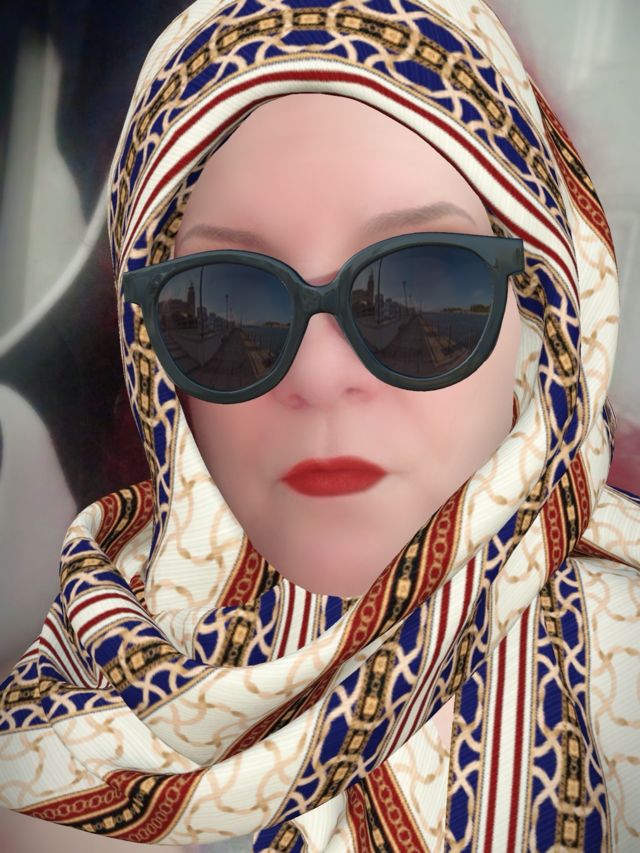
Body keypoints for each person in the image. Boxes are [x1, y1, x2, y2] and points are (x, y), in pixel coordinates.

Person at [1, 0, 639, 851]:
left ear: (541, 317)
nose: (318, 375)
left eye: (423, 290)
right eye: (222, 308)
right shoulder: (58, 752)